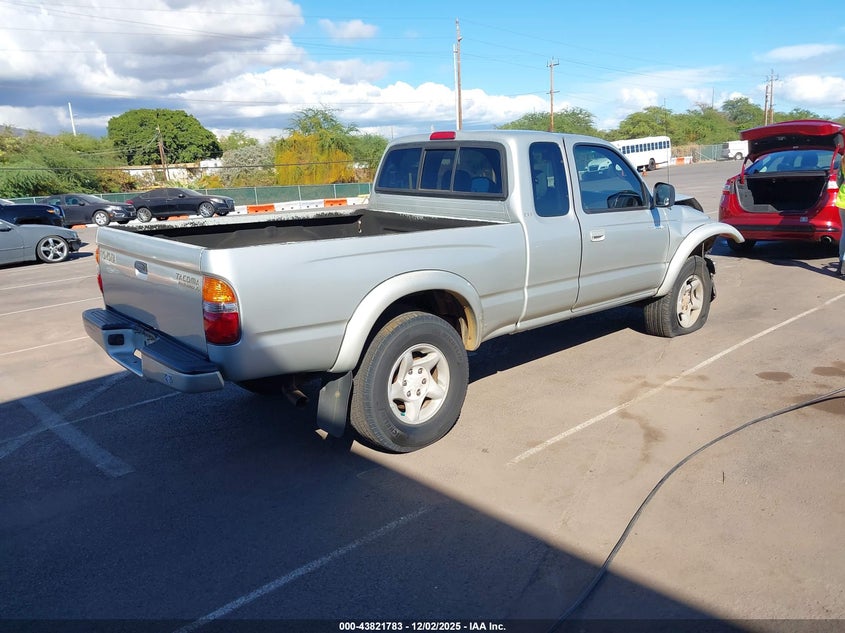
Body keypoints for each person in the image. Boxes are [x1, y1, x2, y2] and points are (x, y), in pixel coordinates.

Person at [836, 152, 845, 277]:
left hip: (843, 198)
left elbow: (839, 180)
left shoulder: (843, 158)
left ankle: (841, 264)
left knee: (844, 232)